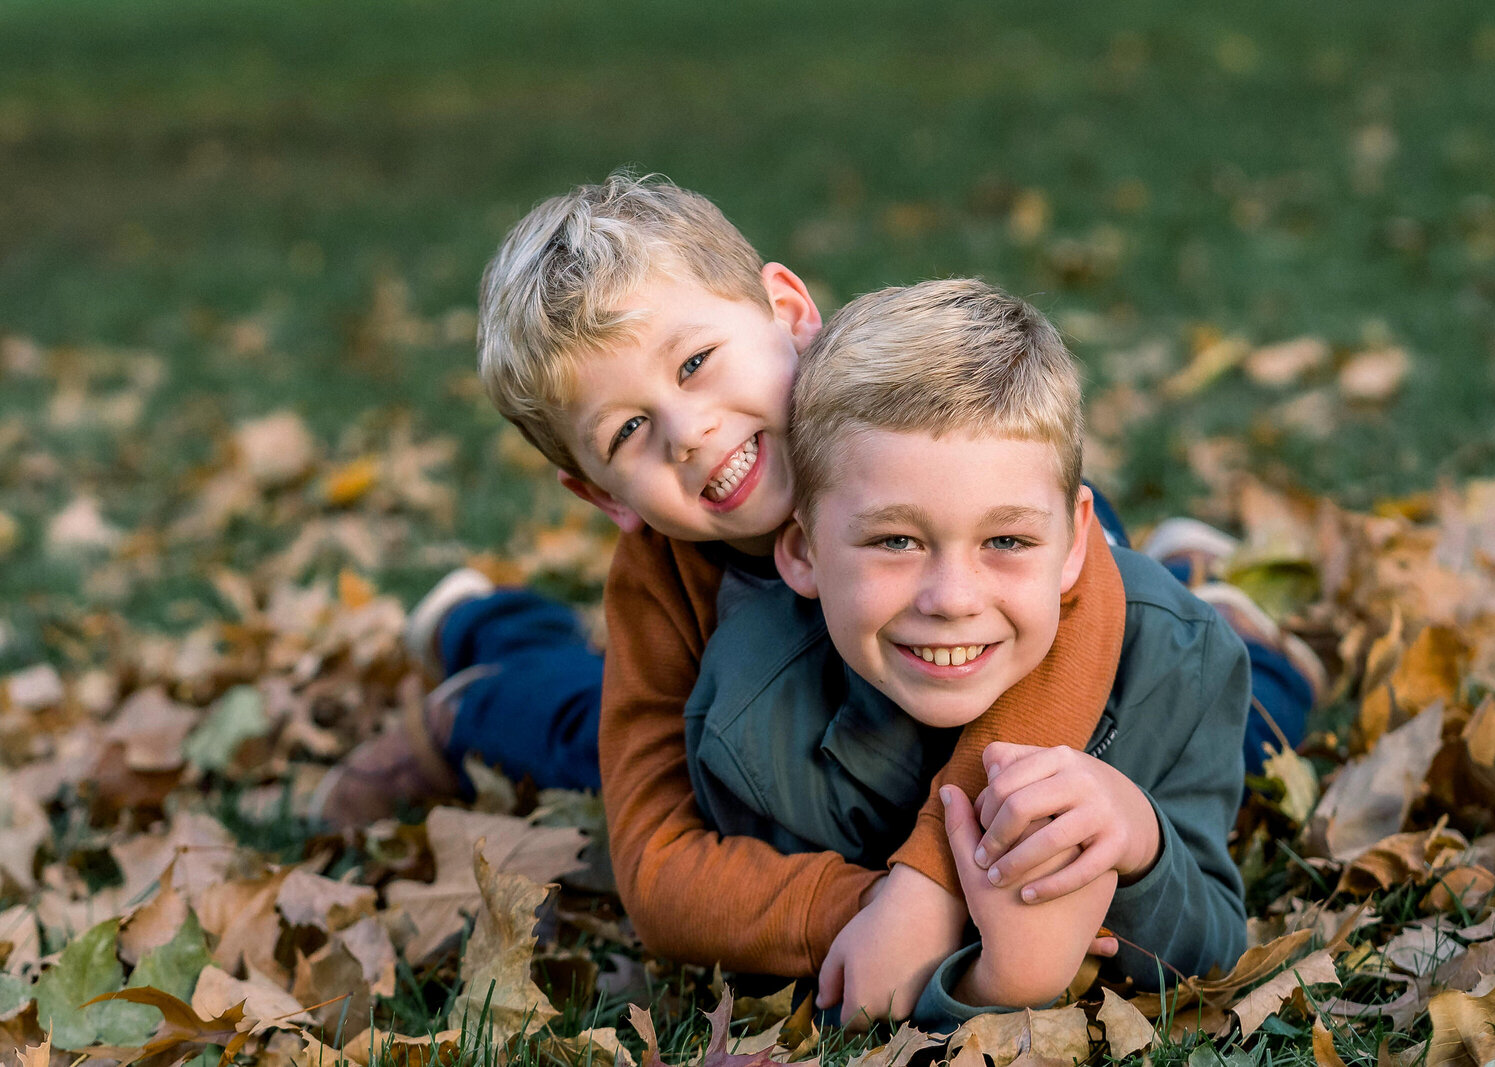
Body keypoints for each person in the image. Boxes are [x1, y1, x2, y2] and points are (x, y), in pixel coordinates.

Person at [312, 173, 1322, 1020]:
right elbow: (660, 868)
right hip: (782, 747)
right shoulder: (668, 581)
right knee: (586, 732)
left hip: (1018, 659)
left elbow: (1091, 616)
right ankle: (478, 648)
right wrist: (870, 903)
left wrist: (930, 880)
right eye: (628, 432)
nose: (691, 432)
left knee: (1218, 715)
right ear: (598, 493)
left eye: (698, 363)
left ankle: (1228, 609)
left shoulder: (916, 404)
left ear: (792, 315)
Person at [684, 278, 1253, 1024]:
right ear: (803, 551)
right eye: (896, 540)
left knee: (1277, 696)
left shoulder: (1185, 662)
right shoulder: (749, 727)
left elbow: (1216, 940)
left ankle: (1243, 607)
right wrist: (999, 984)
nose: (951, 598)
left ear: (1076, 540)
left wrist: (1142, 841)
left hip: (1184, 640)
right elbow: (808, 986)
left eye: (1006, 540)